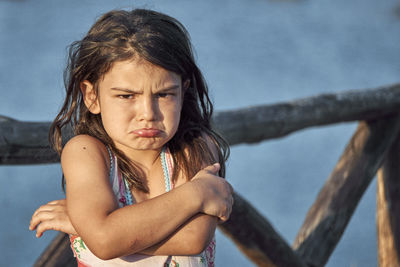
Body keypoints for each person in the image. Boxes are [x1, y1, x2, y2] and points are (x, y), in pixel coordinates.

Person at [29, 8, 233, 267]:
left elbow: (193, 238)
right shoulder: (85, 153)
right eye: (127, 96)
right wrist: (196, 194)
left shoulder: (194, 148)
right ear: (91, 96)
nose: (148, 114)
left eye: (164, 95)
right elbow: (104, 241)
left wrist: (96, 229)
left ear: (183, 91)